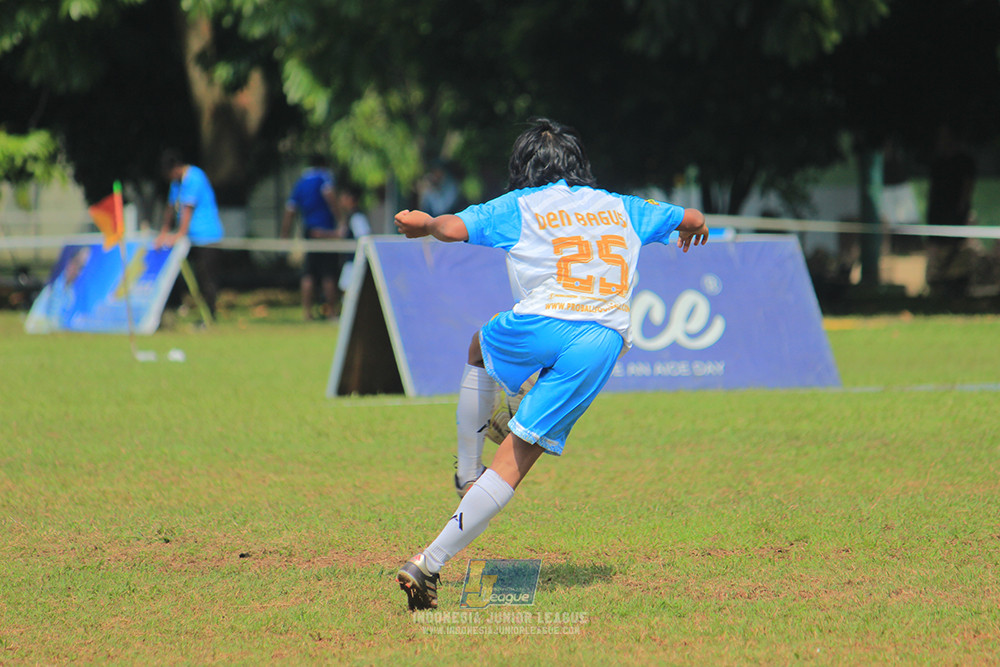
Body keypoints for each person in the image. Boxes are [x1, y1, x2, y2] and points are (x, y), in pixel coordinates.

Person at [392, 118, 710, 610]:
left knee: (479, 346)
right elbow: (688, 216)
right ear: (580, 167)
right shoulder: (620, 205)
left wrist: (425, 224)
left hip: (539, 321)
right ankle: (427, 562)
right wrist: (698, 226)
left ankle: (466, 472)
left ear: (523, 169)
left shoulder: (521, 204)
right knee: (517, 459)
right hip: (599, 337)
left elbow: (453, 227)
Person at [155, 149, 224, 322]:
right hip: (189, 239)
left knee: (205, 279)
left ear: (176, 168)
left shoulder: (194, 177)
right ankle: (174, 311)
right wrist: (163, 233)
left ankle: (209, 317)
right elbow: (170, 208)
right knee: (178, 275)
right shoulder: (177, 183)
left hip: (206, 237)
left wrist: (179, 234)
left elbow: (188, 209)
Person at [281, 155, 344, 320]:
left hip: (309, 231)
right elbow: (330, 196)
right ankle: (331, 312)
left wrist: (285, 234)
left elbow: (290, 210)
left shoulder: (300, 183)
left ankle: (307, 313)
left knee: (309, 272)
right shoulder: (324, 177)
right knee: (328, 272)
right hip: (326, 231)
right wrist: (340, 221)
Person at [924, 123, 977, 297]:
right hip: (937, 214)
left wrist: (962, 208)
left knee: (956, 250)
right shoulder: (938, 162)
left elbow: (967, 187)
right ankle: (936, 285)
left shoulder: (965, 161)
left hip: (955, 215)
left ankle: (956, 285)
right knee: (937, 250)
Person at [334, 180, 373, 293]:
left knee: (348, 293)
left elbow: (365, 239)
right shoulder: (350, 217)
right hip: (350, 263)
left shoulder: (357, 217)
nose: (341, 200)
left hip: (355, 264)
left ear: (351, 198)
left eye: (343, 196)